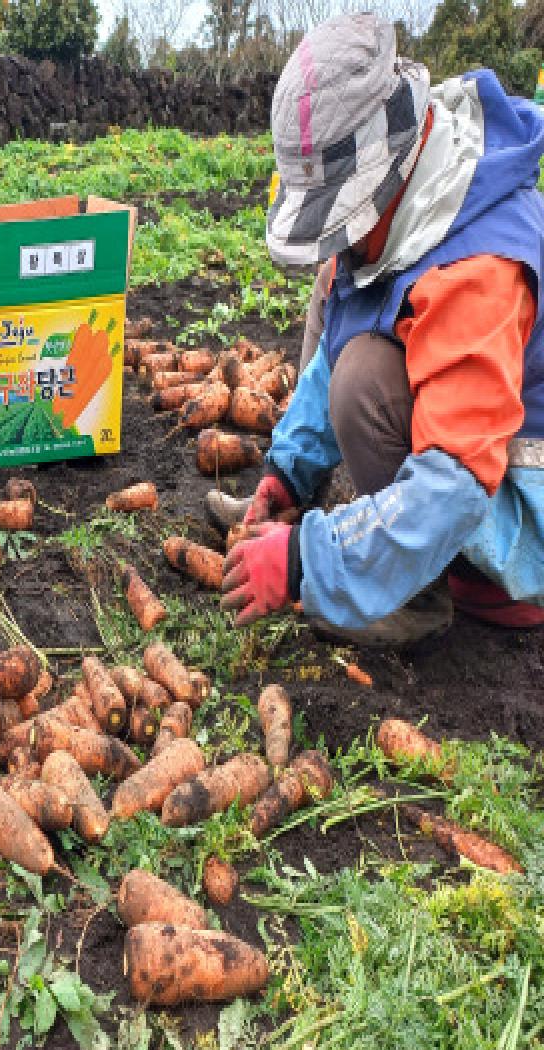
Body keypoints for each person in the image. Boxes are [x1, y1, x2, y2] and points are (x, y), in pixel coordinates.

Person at [218, 12, 544, 646]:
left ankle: (443, 593)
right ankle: (367, 547)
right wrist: (288, 474)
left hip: (524, 517)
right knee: (340, 299)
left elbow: (453, 482)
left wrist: (307, 562)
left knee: (365, 376)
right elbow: (339, 337)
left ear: (390, 172)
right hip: (477, 472)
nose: (339, 234)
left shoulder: (477, 270)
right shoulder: (409, 208)